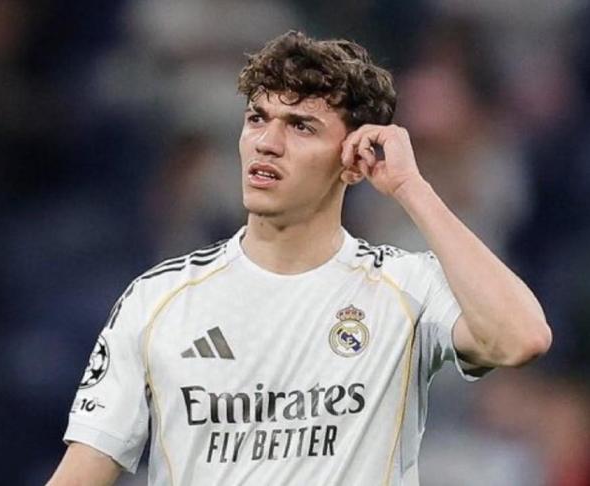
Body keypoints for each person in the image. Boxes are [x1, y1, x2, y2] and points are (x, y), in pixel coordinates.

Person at [46, 30, 552, 486]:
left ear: (354, 159)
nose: (267, 143)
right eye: (257, 119)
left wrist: (410, 187)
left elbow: (521, 338)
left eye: (301, 126)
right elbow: (81, 473)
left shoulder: (405, 286)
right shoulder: (157, 300)